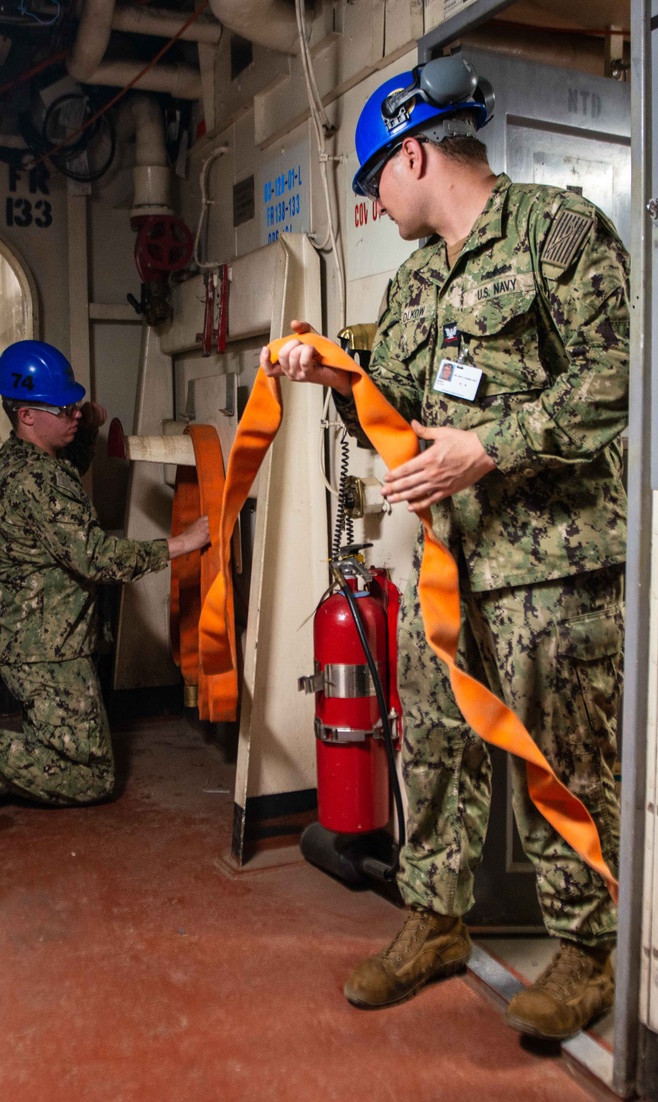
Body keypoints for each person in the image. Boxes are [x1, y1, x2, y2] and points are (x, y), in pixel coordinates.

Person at [261, 55, 628, 1041]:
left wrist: (485, 448)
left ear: (414, 154)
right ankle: (434, 924)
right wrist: (321, 359)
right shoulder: (422, 278)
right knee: (435, 750)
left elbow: (618, 374)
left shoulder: (562, 234)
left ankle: (587, 957)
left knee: (564, 763)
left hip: (553, 571)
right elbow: (386, 379)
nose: (374, 206)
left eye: (375, 180)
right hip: (450, 573)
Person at [0, 339, 210, 822]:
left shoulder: (21, 459)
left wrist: (86, 418)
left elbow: (70, 464)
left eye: (74, 404)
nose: (74, 414)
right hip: (49, 653)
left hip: (35, 640)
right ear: (27, 415)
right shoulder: (41, 480)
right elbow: (96, 557)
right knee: (88, 776)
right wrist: (180, 543)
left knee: (56, 747)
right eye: (63, 408)